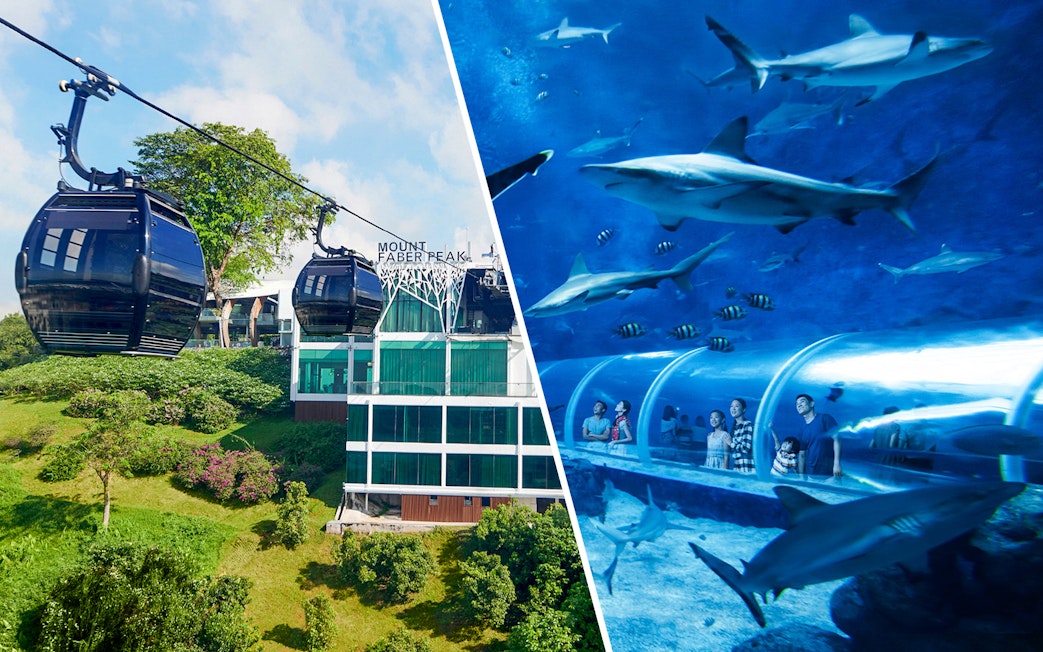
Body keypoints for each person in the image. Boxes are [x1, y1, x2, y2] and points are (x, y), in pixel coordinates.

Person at [773, 393, 841, 478]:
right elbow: (802, 455)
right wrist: (801, 476)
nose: (799, 405)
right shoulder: (803, 430)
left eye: (802, 401)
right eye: (797, 404)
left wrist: (837, 464)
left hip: (829, 473)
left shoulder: (825, 419)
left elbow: (837, 440)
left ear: (812, 404)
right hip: (811, 474)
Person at [729, 398, 755, 473]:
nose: (733, 408)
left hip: (747, 467)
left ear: (744, 410)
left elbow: (745, 448)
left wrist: (730, 443)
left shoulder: (747, 425)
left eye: (736, 406)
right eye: (731, 406)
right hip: (738, 466)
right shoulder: (734, 427)